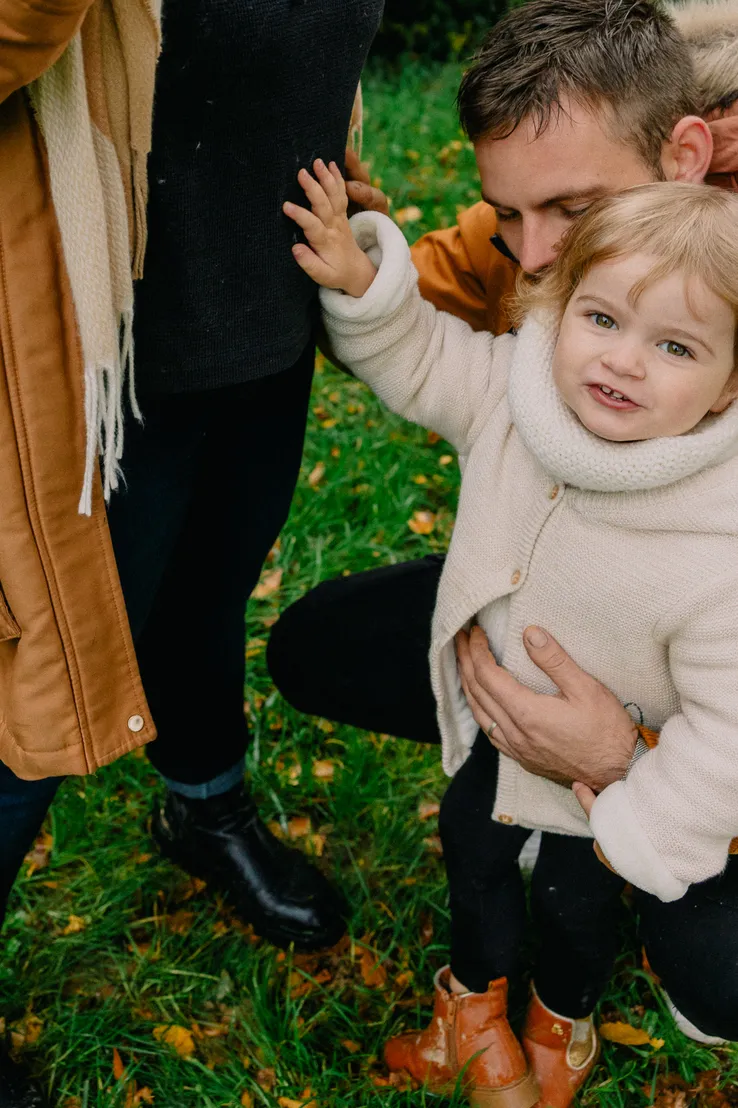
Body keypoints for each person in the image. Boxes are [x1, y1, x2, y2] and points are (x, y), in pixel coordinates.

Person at [284, 165, 738, 1105]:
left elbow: (729, 731)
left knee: (577, 908)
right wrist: (365, 280)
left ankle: (559, 1025)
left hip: (599, 784)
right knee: (475, 861)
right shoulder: (518, 400)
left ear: (731, 386)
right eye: (602, 320)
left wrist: (644, 821)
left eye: (677, 347)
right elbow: (424, 355)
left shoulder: (720, 546)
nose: (621, 362)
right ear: (557, 306)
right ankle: (473, 1021)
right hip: (499, 748)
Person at [0, 0, 382, 1102]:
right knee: (36, 684)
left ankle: (203, 808)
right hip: (86, 350)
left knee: (206, 596)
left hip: (260, 320)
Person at [338, 0, 738, 796]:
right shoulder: (533, 236)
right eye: (510, 215)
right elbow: (414, 324)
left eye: (574, 211)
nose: (535, 254)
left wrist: (629, 760)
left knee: (705, 924)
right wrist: (359, 265)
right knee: (326, 646)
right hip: (586, 579)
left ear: (686, 154)